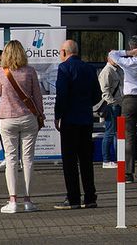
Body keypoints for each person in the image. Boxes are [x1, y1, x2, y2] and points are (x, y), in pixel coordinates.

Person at [0, 40, 44, 214]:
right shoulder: (30, 71)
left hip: (7, 118)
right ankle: (28, 200)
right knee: (28, 158)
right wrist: (40, 115)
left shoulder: (1, 71)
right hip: (28, 117)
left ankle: (12, 200)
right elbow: (37, 96)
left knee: (11, 158)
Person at [54, 40, 101, 209]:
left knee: (70, 161)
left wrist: (58, 115)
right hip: (86, 119)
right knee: (86, 160)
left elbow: (62, 93)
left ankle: (73, 197)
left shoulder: (64, 68)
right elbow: (97, 94)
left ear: (65, 52)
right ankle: (90, 197)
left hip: (70, 120)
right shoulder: (89, 69)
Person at [108, 36, 137, 182]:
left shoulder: (127, 62)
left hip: (129, 101)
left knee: (129, 137)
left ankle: (128, 173)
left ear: (133, 47)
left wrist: (129, 52)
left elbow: (112, 54)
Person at [98, 58, 123, 169]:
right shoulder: (107, 71)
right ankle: (106, 160)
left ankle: (117, 158)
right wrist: (113, 103)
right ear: (109, 59)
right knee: (110, 131)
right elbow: (105, 91)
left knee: (116, 133)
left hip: (118, 104)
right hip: (112, 106)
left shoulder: (117, 69)